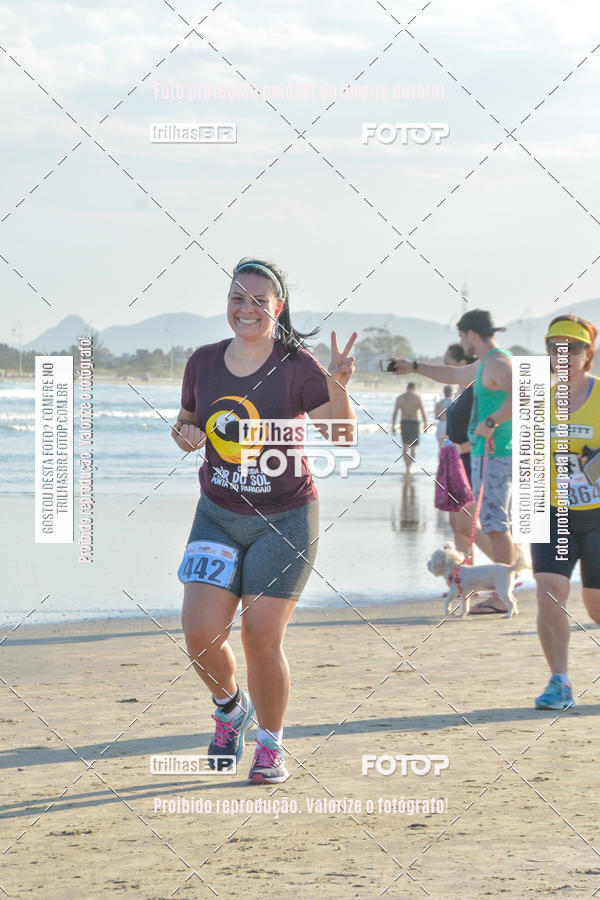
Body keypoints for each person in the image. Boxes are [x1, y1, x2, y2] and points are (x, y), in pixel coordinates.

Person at [171, 257, 357, 783]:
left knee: (259, 635)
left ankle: (270, 744)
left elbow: (340, 438)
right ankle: (230, 709)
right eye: (237, 298)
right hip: (218, 514)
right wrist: (184, 436)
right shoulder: (203, 362)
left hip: (287, 518)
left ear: (277, 309)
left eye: (258, 301)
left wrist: (338, 384)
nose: (245, 309)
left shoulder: (299, 367)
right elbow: (187, 425)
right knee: (200, 632)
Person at [392, 309, 515, 613]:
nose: (462, 341)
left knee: (496, 524)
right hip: (483, 453)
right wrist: (414, 366)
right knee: (487, 521)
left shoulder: (499, 362)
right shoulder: (484, 363)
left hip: (497, 452)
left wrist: (491, 420)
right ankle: (494, 587)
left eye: (461, 336)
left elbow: (522, 396)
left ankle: (503, 593)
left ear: (472, 334)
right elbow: (453, 374)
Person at [531, 314, 600, 709]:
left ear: (587, 354)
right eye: (556, 348)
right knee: (549, 593)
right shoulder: (538, 400)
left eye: (572, 348)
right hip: (551, 511)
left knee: (595, 606)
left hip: (597, 515)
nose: (564, 355)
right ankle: (560, 682)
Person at [443, 344, 494, 564]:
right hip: (454, 463)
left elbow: (489, 431)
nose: (447, 371)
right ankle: (465, 579)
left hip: (470, 461)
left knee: (467, 524)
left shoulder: (476, 392)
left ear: (464, 365)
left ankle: (509, 569)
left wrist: (461, 448)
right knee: (455, 524)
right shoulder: (460, 392)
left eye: (450, 366)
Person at [392, 382, 428, 472]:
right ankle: (409, 466)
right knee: (414, 448)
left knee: (405, 447)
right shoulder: (417, 397)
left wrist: (393, 425)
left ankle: (407, 467)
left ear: (406, 388)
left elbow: (395, 413)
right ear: (414, 388)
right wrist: (425, 423)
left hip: (404, 422)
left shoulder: (400, 398)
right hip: (414, 422)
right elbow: (423, 411)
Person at [435, 385, 454, 452]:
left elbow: (436, 417)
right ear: (452, 393)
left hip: (441, 425)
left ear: (444, 392)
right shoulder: (453, 403)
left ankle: (441, 462)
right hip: (449, 425)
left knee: (440, 449)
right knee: (450, 448)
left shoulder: (438, 404)